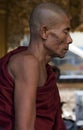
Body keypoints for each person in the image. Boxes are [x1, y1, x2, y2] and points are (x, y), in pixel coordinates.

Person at [0, 2, 72, 130]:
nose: (70, 40)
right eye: (65, 32)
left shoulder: (46, 70)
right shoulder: (27, 63)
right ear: (44, 32)